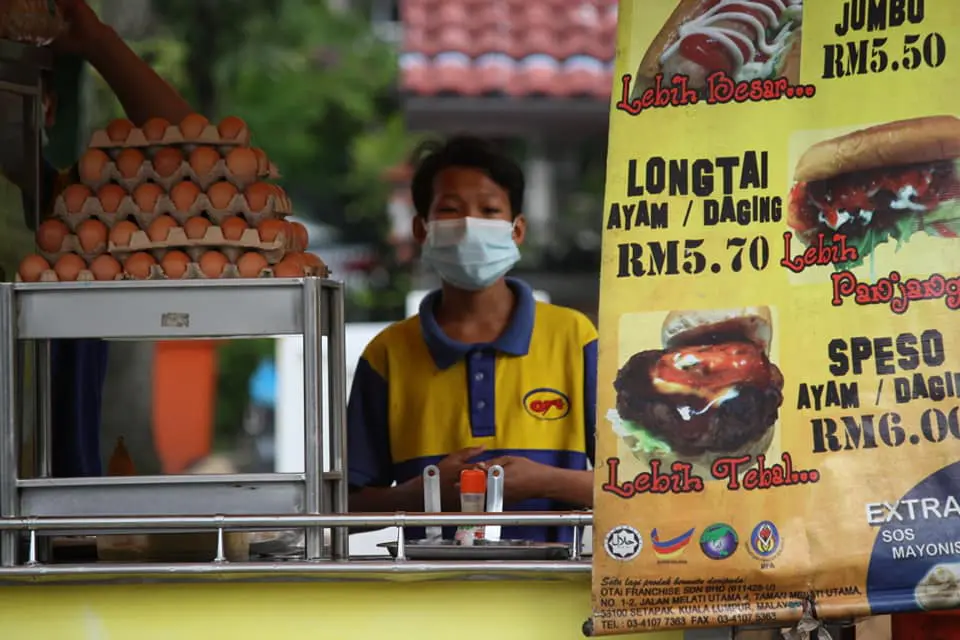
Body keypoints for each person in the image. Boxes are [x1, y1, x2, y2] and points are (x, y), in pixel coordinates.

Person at [347, 135, 596, 542]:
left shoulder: (575, 339)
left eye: (489, 210)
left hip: (549, 592)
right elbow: (347, 507)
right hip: (430, 597)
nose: (468, 225)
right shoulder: (387, 355)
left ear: (517, 230)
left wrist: (547, 482)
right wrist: (426, 494)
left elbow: (636, 490)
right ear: (421, 228)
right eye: (449, 210)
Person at [0, 0, 192, 476]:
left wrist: (99, 44)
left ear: (46, 107)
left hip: (54, 503)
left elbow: (192, 156)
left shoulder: (74, 209)